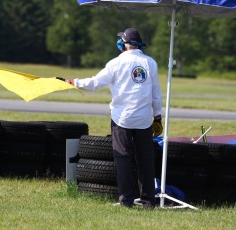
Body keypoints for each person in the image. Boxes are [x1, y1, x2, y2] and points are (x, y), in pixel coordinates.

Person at [64, 28, 163, 208]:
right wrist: (157, 118)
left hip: (121, 120)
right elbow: (156, 93)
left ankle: (126, 200)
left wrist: (74, 82)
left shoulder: (115, 63)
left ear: (123, 44)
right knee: (146, 160)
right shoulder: (151, 63)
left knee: (122, 158)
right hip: (144, 120)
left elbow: (94, 84)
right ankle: (149, 201)